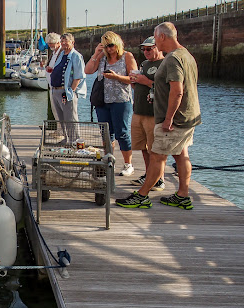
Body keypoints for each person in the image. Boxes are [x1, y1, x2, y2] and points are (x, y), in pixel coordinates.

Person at [116, 22, 201, 210]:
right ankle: (183, 195)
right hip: (189, 115)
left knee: (157, 156)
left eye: (155, 37)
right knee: (181, 155)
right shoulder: (187, 55)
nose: (154, 41)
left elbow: (177, 91)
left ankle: (142, 196)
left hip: (175, 119)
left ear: (162, 37)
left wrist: (168, 119)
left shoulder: (172, 59)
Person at [85, 31, 137, 176]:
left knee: (122, 132)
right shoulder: (102, 58)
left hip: (121, 100)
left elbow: (134, 78)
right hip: (103, 101)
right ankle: (109, 161)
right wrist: (96, 54)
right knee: (106, 134)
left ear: (118, 44)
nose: (109, 49)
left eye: (111, 46)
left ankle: (128, 164)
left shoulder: (127, 56)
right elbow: (88, 70)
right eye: (106, 46)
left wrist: (116, 77)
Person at [129, 36, 165, 190]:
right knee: (143, 147)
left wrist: (146, 81)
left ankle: (159, 179)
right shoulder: (143, 64)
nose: (146, 52)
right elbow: (141, 87)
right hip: (139, 111)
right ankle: (149, 174)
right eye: (144, 49)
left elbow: (166, 88)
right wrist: (135, 83)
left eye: (149, 48)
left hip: (154, 114)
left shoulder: (164, 64)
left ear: (159, 47)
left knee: (155, 149)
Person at [49, 33, 86, 144]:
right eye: (62, 41)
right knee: (61, 118)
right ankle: (66, 139)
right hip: (55, 90)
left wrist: (70, 91)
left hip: (66, 91)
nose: (64, 43)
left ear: (72, 42)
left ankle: (75, 141)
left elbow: (78, 76)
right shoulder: (61, 54)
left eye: (66, 41)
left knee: (70, 118)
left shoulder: (76, 56)